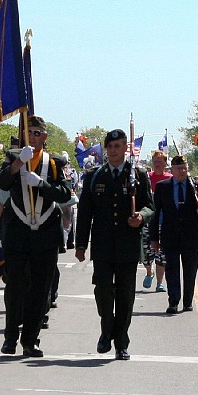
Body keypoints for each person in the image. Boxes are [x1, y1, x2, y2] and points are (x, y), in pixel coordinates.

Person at [0, 115, 71, 358]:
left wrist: (42, 184)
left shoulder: (56, 162)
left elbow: (65, 194)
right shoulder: (12, 157)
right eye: (30, 133)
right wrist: (18, 164)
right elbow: (1, 183)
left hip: (45, 234)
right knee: (15, 287)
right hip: (17, 232)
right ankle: (10, 337)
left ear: (45, 136)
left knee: (40, 290)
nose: (34, 137)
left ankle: (31, 340)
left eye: (38, 133)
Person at [76, 129, 154, 361]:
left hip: (128, 246)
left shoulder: (137, 174)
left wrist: (140, 216)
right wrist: (80, 244)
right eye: (110, 147)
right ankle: (106, 330)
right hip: (102, 246)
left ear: (125, 148)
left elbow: (150, 206)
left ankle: (121, 342)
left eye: (118, 146)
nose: (113, 151)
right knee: (102, 292)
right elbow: (85, 213)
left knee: (125, 296)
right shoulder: (94, 176)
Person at [152, 155, 198, 315]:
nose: (182, 171)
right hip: (170, 236)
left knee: (190, 270)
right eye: (178, 168)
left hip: (191, 236)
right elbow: (156, 213)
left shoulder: (195, 186)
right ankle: (173, 302)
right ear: (172, 170)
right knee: (172, 270)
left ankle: (188, 301)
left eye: (184, 168)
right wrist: (154, 238)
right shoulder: (163, 187)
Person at [143, 150, 171, 292]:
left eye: (160, 162)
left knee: (162, 253)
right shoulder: (146, 178)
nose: (157, 164)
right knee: (146, 251)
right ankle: (149, 271)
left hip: (164, 221)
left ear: (165, 163)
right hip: (148, 220)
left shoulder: (170, 178)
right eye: (155, 162)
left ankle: (160, 282)